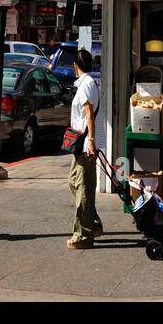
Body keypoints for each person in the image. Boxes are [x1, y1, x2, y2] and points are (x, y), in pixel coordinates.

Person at [66, 48, 102, 251]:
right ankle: (93, 223)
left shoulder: (86, 85)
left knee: (83, 189)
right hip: (80, 144)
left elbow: (89, 115)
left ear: (75, 66)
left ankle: (83, 235)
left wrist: (91, 141)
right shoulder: (86, 83)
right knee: (74, 182)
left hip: (85, 144)